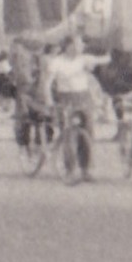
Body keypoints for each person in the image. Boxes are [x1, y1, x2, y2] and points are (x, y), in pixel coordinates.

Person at [46, 36, 104, 180]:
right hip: (66, 97)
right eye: (76, 45)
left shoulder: (83, 59)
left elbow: (103, 60)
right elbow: (47, 83)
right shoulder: (56, 62)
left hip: (84, 97)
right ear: (67, 46)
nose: (80, 47)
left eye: (81, 45)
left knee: (88, 133)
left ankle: (86, 170)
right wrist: (49, 100)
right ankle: (70, 168)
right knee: (69, 135)